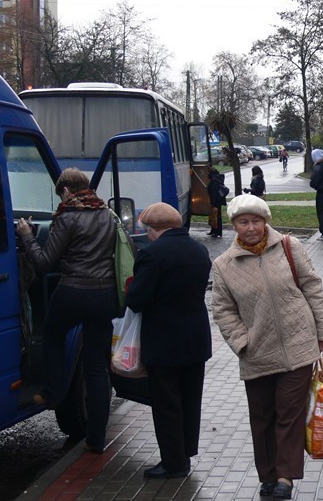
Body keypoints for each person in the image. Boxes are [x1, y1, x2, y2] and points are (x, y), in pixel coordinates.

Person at [212, 195, 323, 500]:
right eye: (243, 222)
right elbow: (223, 310)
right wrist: (242, 342)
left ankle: (284, 477)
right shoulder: (224, 265)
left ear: (265, 221)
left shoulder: (290, 247)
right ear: (234, 226)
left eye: (256, 220)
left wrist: (322, 331)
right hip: (256, 352)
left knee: (289, 414)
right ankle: (267, 475)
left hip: (298, 345)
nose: (251, 227)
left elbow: (313, 287)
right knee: (262, 416)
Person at [15, 167, 117, 454]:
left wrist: (26, 236)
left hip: (73, 291)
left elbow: (45, 262)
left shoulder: (67, 215)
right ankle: (96, 440)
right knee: (97, 367)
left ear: (66, 190)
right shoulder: (107, 214)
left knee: (52, 334)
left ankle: (54, 391)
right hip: (104, 295)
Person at [125, 202, 213, 479]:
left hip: (164, 340)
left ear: (154, 229)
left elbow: (137, 300)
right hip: (195, 337)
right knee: (190, 399)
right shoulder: (199, 250)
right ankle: (185, 453)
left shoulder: (151, 254)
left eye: (147, 229)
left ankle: (173, 462)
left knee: (167, 404)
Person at [207, 167, 229, 238]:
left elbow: (214, 192)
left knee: (216, 216)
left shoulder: (214, 180)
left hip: (215, 201)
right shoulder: (218, 178)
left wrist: (213, 202)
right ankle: (215, 231)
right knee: (216, 216)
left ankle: (217, 231)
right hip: (219, 200)